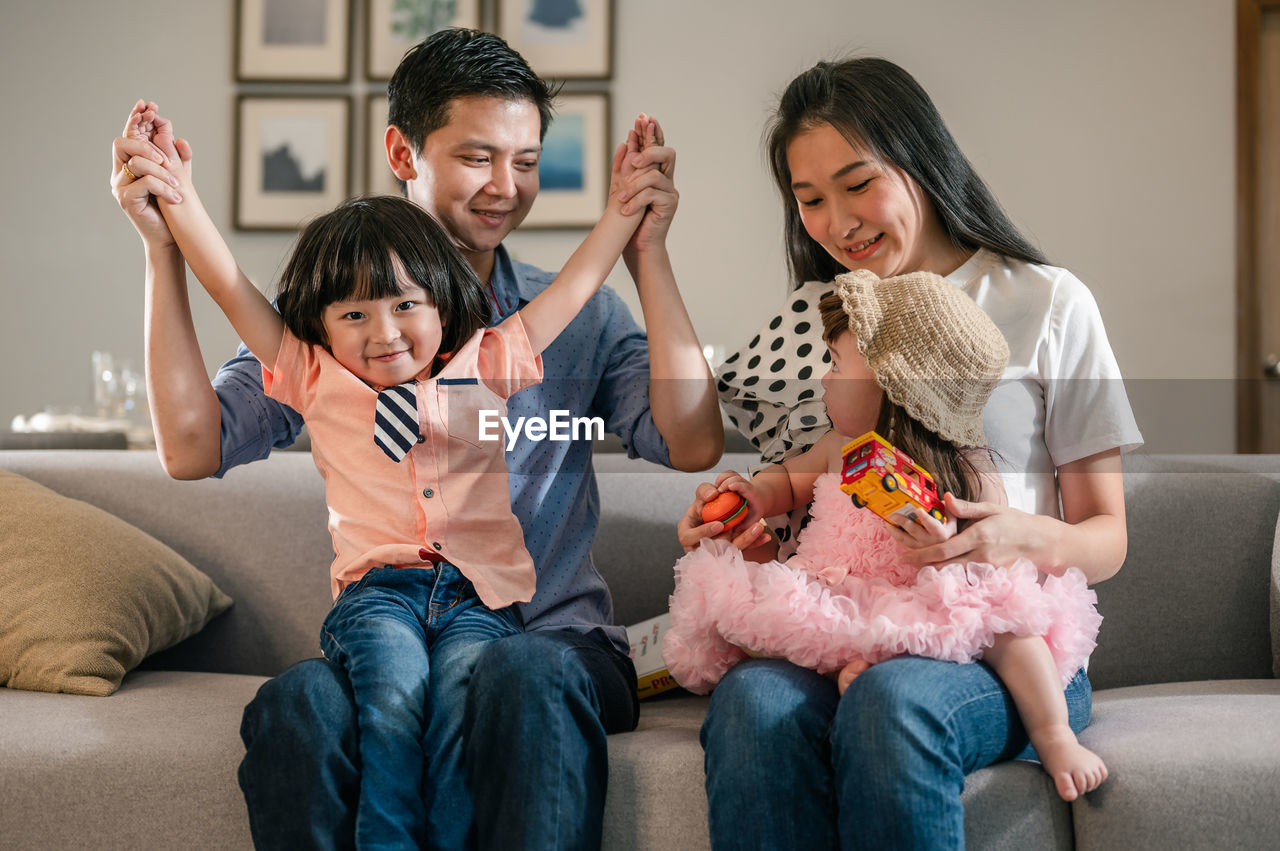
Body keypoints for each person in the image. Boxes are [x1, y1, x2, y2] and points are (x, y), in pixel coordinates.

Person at [110, 28, 723, 851]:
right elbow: (192, 447)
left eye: (527, 162)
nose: (506, 188)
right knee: (298, 701)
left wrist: (646, 251)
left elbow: (692, 443)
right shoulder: (336, 328)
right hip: (398, 627)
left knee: (519, 669)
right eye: (477, 158)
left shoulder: (561, 323)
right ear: (404, 150)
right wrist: (163, 249)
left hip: (550, 644)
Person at [679, 57, 1141, 848]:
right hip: (854, 614)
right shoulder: (821, 316)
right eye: (811, 199)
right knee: (754, 704)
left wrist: (1012, 533)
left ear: (919, 159)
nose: (838, 221)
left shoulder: (1044, 300)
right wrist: (743, 510)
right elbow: (826, 461)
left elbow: (1107, 537)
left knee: (892, 702)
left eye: (859, 184)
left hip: (997, 639)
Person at [665, 268, 1108, 803]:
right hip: (841, 595)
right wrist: (755, 494)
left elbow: (982, 542)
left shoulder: (967, 465)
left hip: (924, 596)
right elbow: (787, 479)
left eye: (836, 364)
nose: (824, 379)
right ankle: (855, 670)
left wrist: (941, 534)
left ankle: (1055, 734)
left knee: (1011, 628)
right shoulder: (839, 445)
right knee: (782, 653)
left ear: (896, 383)